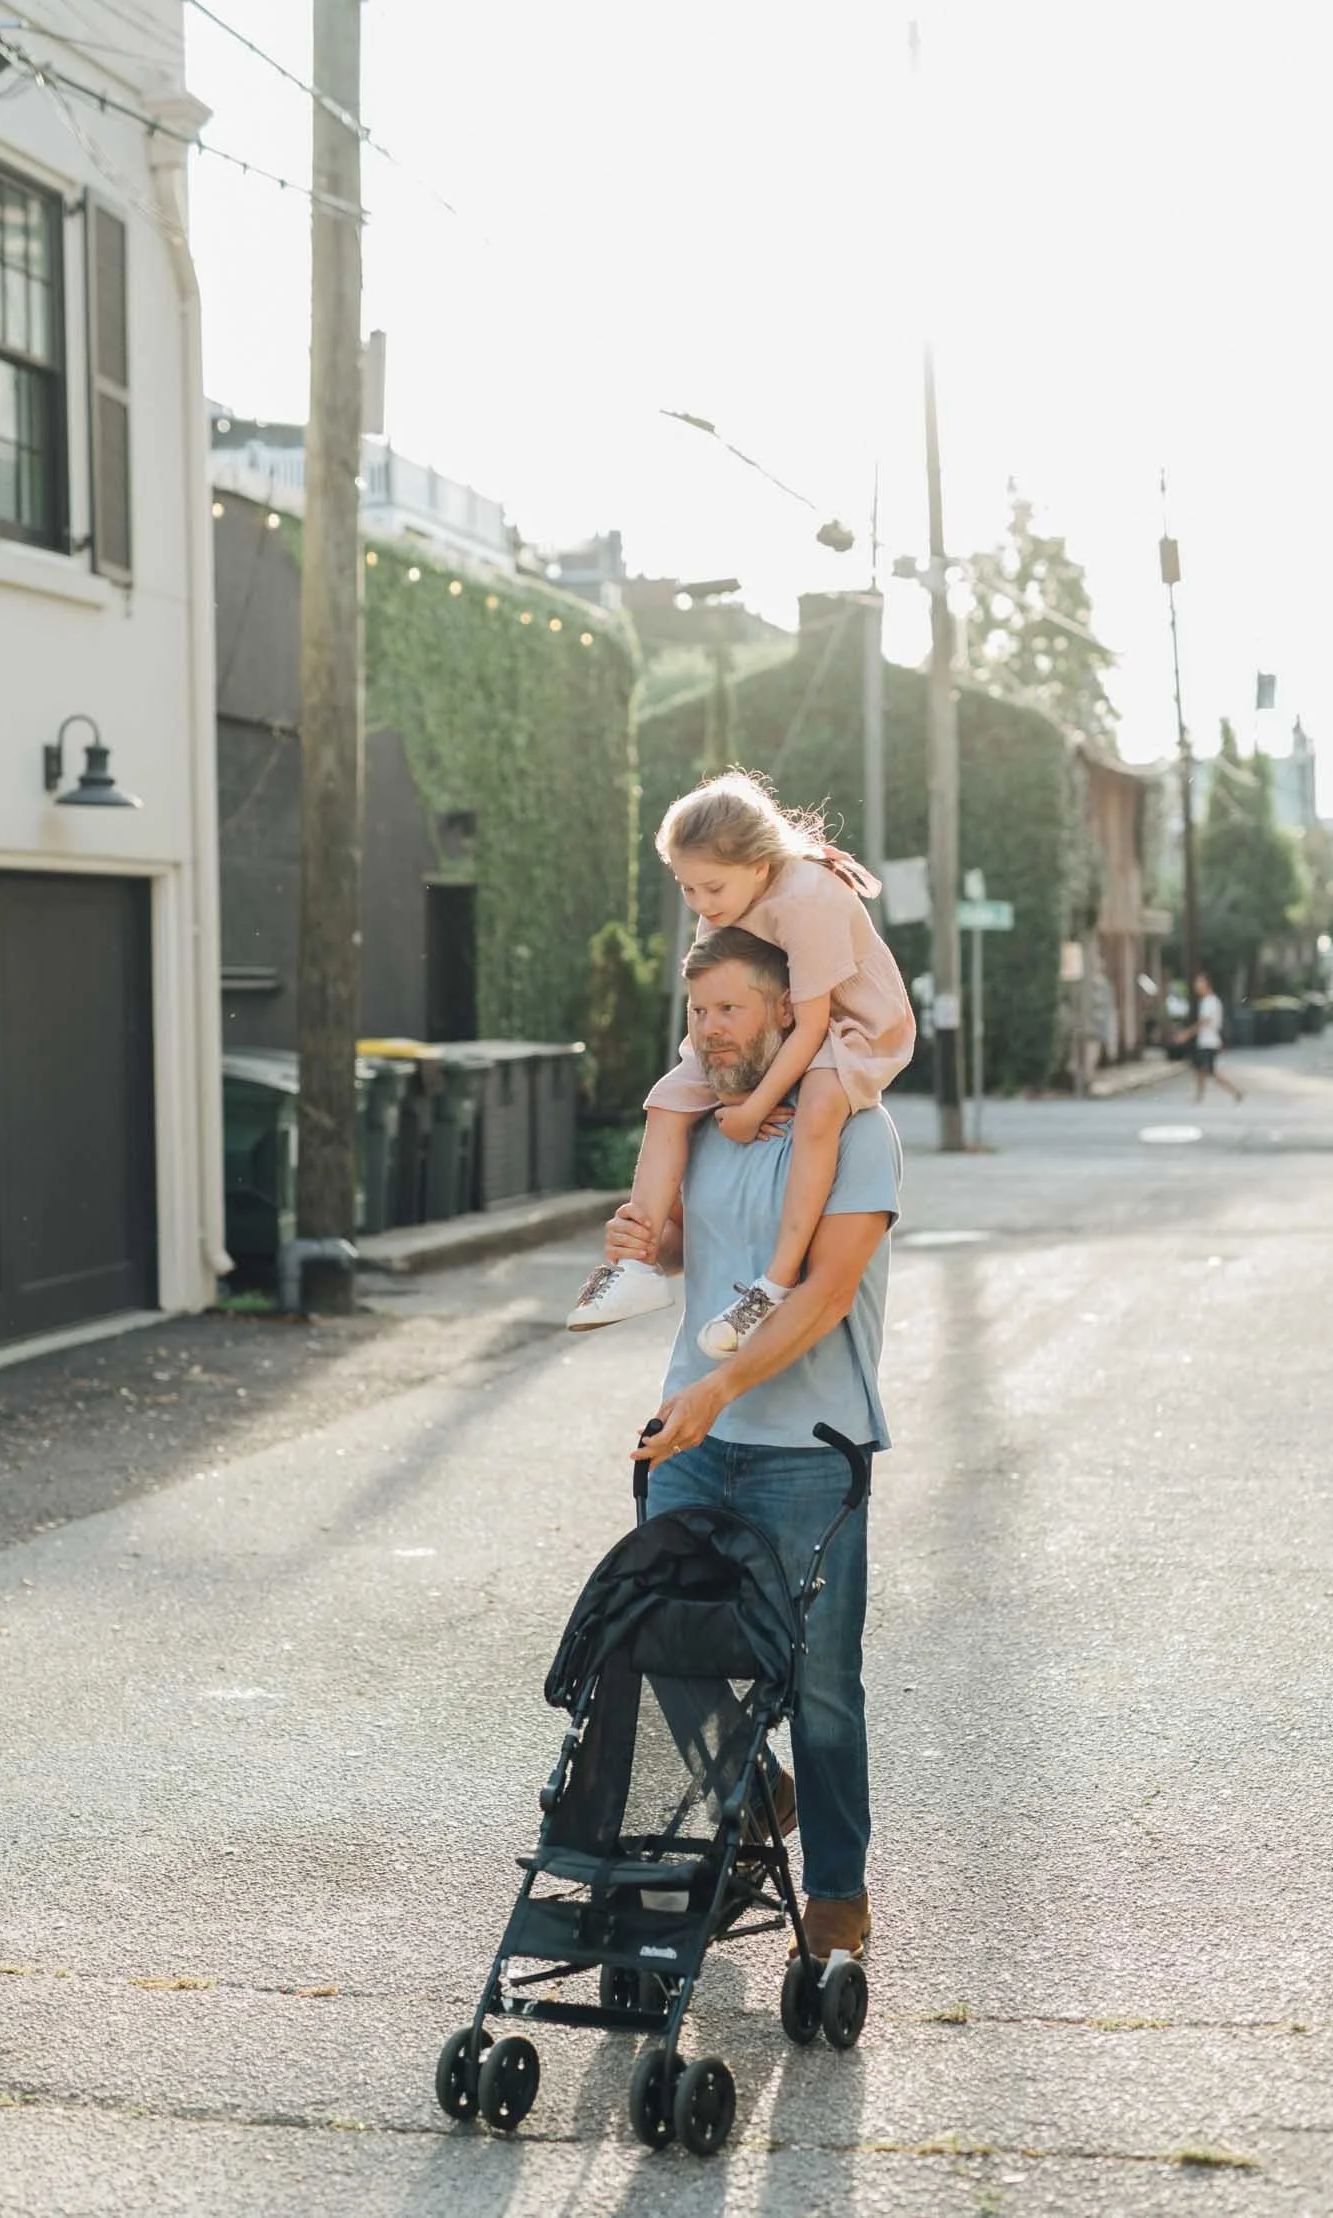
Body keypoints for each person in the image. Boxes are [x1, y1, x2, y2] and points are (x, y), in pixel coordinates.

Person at [610, 924, 902, 1964]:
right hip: (693, 1436)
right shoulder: (698, 1122)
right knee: (657, 1640)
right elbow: (696, 1249)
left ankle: (836, 1893)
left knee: (820, 1680)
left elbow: (822, 1295)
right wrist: (644, 1240)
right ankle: (754, 1786)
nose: (711, 1030)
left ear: (789, 1012)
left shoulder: (856, 1128)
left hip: (808, 1452)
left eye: (731, 1009)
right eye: (698, 1011)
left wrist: (722, 1384)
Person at [569, 771, 915, 1356]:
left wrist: (753, 1108)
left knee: (823, 1102)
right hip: (770, 1019)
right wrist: (714, 1089)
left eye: (710, 888)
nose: (700, 904)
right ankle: (632, 1268)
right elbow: (701, 1001)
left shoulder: (809, 898)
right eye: (686, 889)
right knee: (668, 1097)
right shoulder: (724, 906)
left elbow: (812, 1026)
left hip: (849, 1022)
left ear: (758, 866)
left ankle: (774, 1284)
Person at [1183, 969, 1244, 1104]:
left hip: (1209, 1042)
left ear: (1207, 984)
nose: (1197, 985)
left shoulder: (1210, 1001)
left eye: (1199, 982)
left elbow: (1203, 1021)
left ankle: (1235, 1091)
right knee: (1201, 1070)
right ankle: (1199, 1096)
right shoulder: (1206, 1001)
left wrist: (1188, 1033)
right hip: (1205, 1041)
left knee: (1210, 1072)